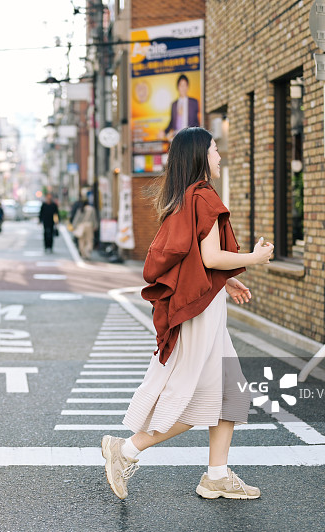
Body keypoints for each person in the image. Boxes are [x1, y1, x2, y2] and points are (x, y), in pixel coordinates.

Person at [101, 127, 274, 501]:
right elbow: (210, 257)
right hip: (201, 314)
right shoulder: (204, 196)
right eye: (214, 150)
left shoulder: (185, 197)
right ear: (200, 155)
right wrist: (254, 259)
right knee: (198, 397)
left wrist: (225, 282)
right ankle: (126, 450)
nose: (219, 156)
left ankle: (216, 475)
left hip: (203, 306)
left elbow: (193, 258)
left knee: (230, 392)